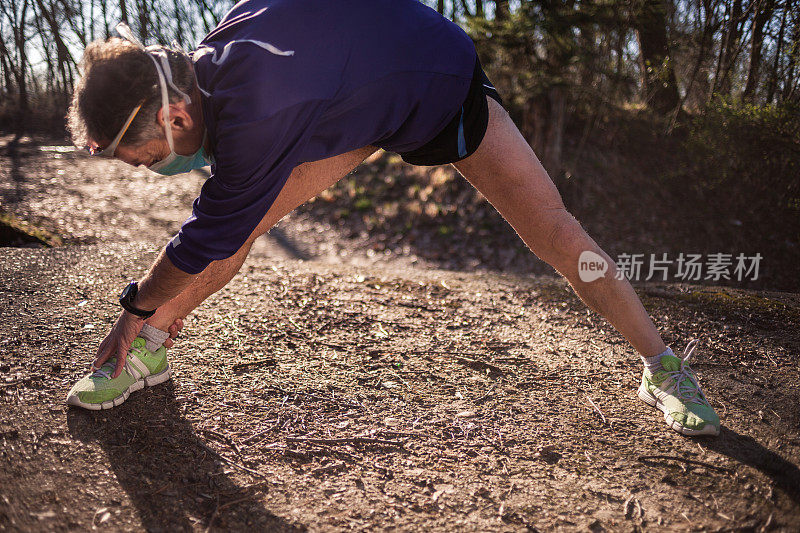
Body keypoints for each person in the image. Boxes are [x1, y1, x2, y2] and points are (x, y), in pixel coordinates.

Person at [65, 0, 719, 436]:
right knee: (243, 219)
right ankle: (148, 351)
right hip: (364, 103)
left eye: (141, 160)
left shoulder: (257, 116)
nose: (148, 170)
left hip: (438, 82)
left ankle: (662, 367)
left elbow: (201, 236)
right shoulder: (218, 50)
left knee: (556, 232)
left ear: (174, 117)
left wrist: (131, 304)